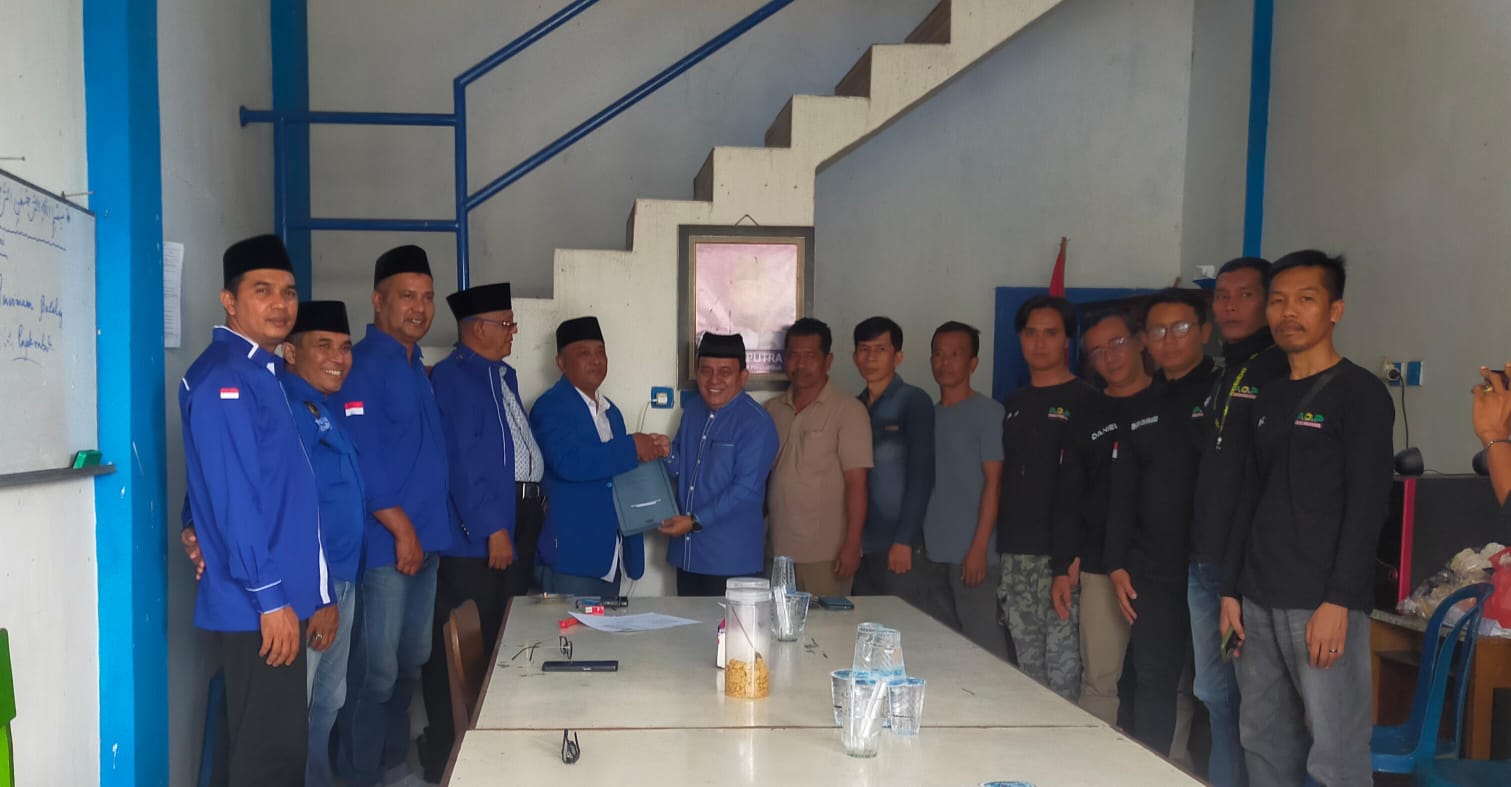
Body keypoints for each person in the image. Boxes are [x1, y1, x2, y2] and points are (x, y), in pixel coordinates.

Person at [1221, 250, 1394, 787]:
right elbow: (1249, 498)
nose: (1288, 312)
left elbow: (1369, 505)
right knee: (1262, 739)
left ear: (1335, 310)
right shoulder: (1269, 397)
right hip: (1257, 598)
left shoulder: (1360, 393)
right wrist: (1230, 591)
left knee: (1335, 752)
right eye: (1278, 301)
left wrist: (1340, 600)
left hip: (1320, 603)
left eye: (1305, 299)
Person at [181, 299, 365, 787]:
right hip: (294, 590)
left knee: (320, 709)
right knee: (287, 727)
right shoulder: (270, 398)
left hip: (333, 578)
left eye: (345, 347)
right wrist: (195, 525)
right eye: (323, 345)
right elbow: (225, 480)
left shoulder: (319, 405)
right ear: (290, 352)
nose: (337, 358)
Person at [334, 244, 453, 787]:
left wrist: (421, 534)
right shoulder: (361, 365)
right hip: (387, 547)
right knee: (375, 673)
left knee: (411, 661)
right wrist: (402, 529)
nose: (419, 308)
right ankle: (359, 774)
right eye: (407, 296)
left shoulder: (416, 366)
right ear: (378, 301)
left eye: (427, 297)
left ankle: (389, 764)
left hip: (425, 545)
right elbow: (362, 456)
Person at [418, 281, 545, 779]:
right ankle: (449, 753)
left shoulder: (502, 376)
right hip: (479, 534)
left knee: (502, 636)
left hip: (517, 519)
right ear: (477, 328)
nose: (513, 331)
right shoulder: (455, 377)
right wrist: (492, 526)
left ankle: (493, 748)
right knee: (462, 642)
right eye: (506, 324)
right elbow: (462, 461)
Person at [1105, 288, 1219, 759]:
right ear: (1145, 340)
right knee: (1152, 679)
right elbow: (1123, 491)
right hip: (1152, 570)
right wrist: (1116, 562)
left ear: (1204, 333)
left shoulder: (1224, 396)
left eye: (1180, 328)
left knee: (1216, 689)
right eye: (1158, 330)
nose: (1168, 340)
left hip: (1214, 568)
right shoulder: (1140, 406)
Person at [1189, 257, 1286, 787]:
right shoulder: (1224, 374)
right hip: (1204, 563)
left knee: (1254, 704)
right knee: (1215, 695)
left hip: (1244, 573)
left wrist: (1238, 573)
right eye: (1221, 295)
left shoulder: (1280, 373)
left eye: (1244, 294)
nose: (1228, 305)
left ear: (1269, 302)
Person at [997, 295, 1100, 702]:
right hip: (1015, 555)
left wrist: (1074, 553)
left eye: (1051, 333)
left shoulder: (1088, 401)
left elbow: (1095, 487)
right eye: (1031, 333)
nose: (1039, 343)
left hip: (1064, 560)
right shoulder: (1011, 405)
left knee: (1063, 672)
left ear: (1068, 341)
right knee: (1025, 673)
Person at [529, 316, 668, 598]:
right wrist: (632, 448)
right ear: (561, 362)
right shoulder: (550, 407)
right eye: (584, 353)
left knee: (605, 629)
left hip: (610, 556)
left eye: (601, 352)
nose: (595, 360)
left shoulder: (611, 413)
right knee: (569, 629)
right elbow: (570, 462)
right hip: (572, 557)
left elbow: (620, 474)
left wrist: (654, 448)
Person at [1057, 309, 1149, 724]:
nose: (1109, 356)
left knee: (1169, 682)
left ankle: (1171, 760)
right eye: (1096, 351)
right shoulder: (1087, 414)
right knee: (1099, 681)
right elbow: (1069, 493)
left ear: (1140, 341)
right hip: (1096, 565)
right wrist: (1065, 560)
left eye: (1117, 343)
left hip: (1161, 565)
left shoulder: (1169, 405)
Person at [659, 332, 780, 596]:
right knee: (685, 624)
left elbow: (745, 490)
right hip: (688, 557)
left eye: (725, 372)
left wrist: (694, 521)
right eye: (706, 371)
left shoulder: (756, 423)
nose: (714, 380)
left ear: (743, 377)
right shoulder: (693, 412)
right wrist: (667, 452)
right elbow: (680, 471)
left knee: (729, 626)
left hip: (731, 561)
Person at [917, 321, 1010, 659]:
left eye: (955, 354)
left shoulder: (989, 413)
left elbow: (994, 483)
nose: (945, 362)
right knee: (943, 648)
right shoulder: (928, 416)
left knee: (983, 648)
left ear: (973, 363)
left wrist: (979, 549)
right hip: (933, 552)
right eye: (938, 354)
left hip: (974, 554)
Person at [766, 318, 873, 596]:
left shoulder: (848, 411)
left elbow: (857, 483)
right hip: (778, 552)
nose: (800, 365)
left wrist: (852, 544)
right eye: (793, 355)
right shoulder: (771, 410)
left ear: (828, 361)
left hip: (827, 555)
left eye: (810, 356)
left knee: (827, 624)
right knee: (777, 622)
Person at [851, 316, 936, 604]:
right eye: (864, 349)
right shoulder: (853, 407)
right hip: (862, 545)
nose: (871, 358)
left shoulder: (913, 401)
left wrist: (904, 539)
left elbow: (921, 475)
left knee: (902, 625)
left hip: (899, 543)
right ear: (854, 357)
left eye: (881, 349)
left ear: (898, 357)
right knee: (863, 623)